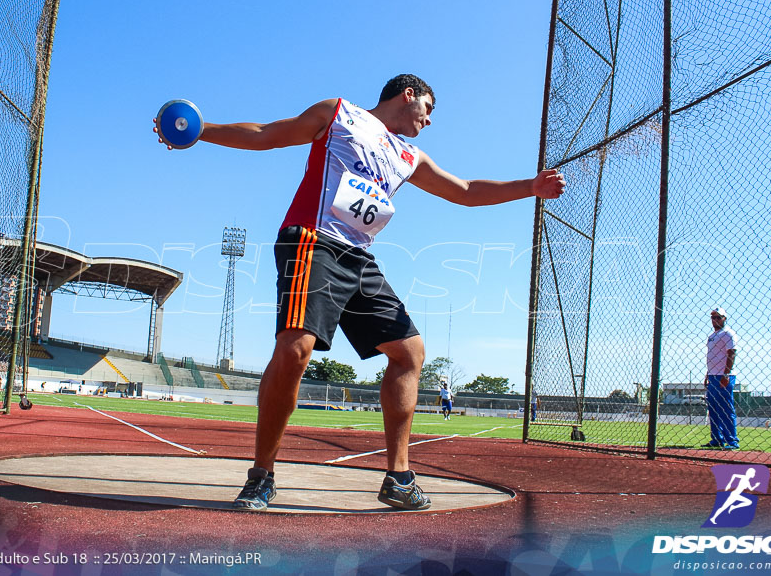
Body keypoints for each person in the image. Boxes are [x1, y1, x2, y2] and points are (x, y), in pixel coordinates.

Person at [157, 74, 565, 511]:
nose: (429, 120)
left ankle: (399, 478)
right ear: (408, 95)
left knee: (409, 352)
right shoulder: (338, 113)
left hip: (359, 257)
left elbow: (465, 192)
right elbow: (268, 135)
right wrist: (203, 131)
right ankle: (261, 476)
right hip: (313, 241)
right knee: (295, 350)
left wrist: (530, 187)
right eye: (428, 108)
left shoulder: (410, 156)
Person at [703, 306, 738, 450]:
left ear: (724, 318)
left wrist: (726, 374)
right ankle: (717, 438)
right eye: (713, 317)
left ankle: (732, 440)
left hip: (723, 375)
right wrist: (708, 374)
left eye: (718, 317)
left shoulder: (728, 334)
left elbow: (731, 353)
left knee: (725, 408)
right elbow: (712, 357)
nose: (715, 320)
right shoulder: (712, 336)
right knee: (713, 408)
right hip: (712, 375)